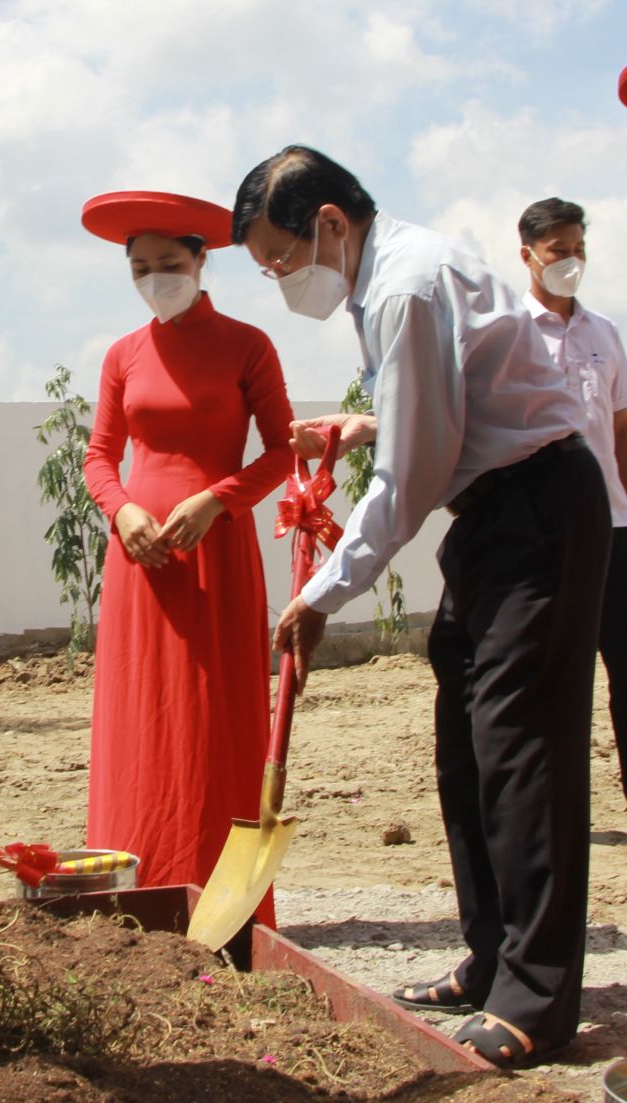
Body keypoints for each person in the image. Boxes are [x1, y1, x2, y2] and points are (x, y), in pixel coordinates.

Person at [232, 145, 607, 1068]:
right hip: (491, 516)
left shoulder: (405, 286)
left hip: (538, 509)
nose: (283, 281)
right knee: (467, 744)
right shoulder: (391, 283)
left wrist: (322, 595)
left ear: (329, 222)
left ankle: (538, 997)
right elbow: (443, 410)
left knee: (523, 751)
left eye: (281, 260)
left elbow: (413, 474)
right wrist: (362, 425)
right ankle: (492, 955)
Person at [79, 191, 294, 927]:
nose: (156, 276)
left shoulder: (247, 345)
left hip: (216, 554)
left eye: (171, 263)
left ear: (203, 259)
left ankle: (223, 896)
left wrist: (218, 501)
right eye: (141, 267)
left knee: (215, 716)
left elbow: (282, 451)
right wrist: (124, 509)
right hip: (140, 562)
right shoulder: (122, 355)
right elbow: (99, 456)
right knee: (141, 716)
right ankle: (136, 883)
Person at [517, 197, 627, 800]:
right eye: (559, 250)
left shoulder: (604, 333)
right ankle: (557, 810)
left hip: (614, 530)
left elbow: (621, 430)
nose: (571, 260)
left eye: (579, 248)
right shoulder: (508, 335)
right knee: (557, 680)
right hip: (545, 538)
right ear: (528, 254)